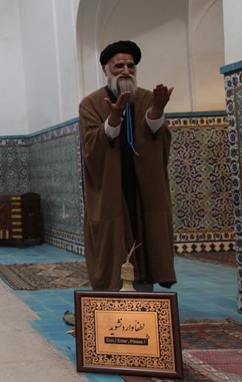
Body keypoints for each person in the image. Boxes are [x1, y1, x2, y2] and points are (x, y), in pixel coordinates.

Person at [79, 40, 177, 292]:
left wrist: (156, 110)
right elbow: (91, 147)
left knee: (147, 236)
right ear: (105, 69)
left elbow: (157, 137)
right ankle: (111, 297)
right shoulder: (91, 104)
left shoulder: (146, 98)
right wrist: (113, 118)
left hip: (143, 188)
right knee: (113, 240)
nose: (125, 70)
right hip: (111, 189)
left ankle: (144, 292)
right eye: (118, 65)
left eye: (130, 65)